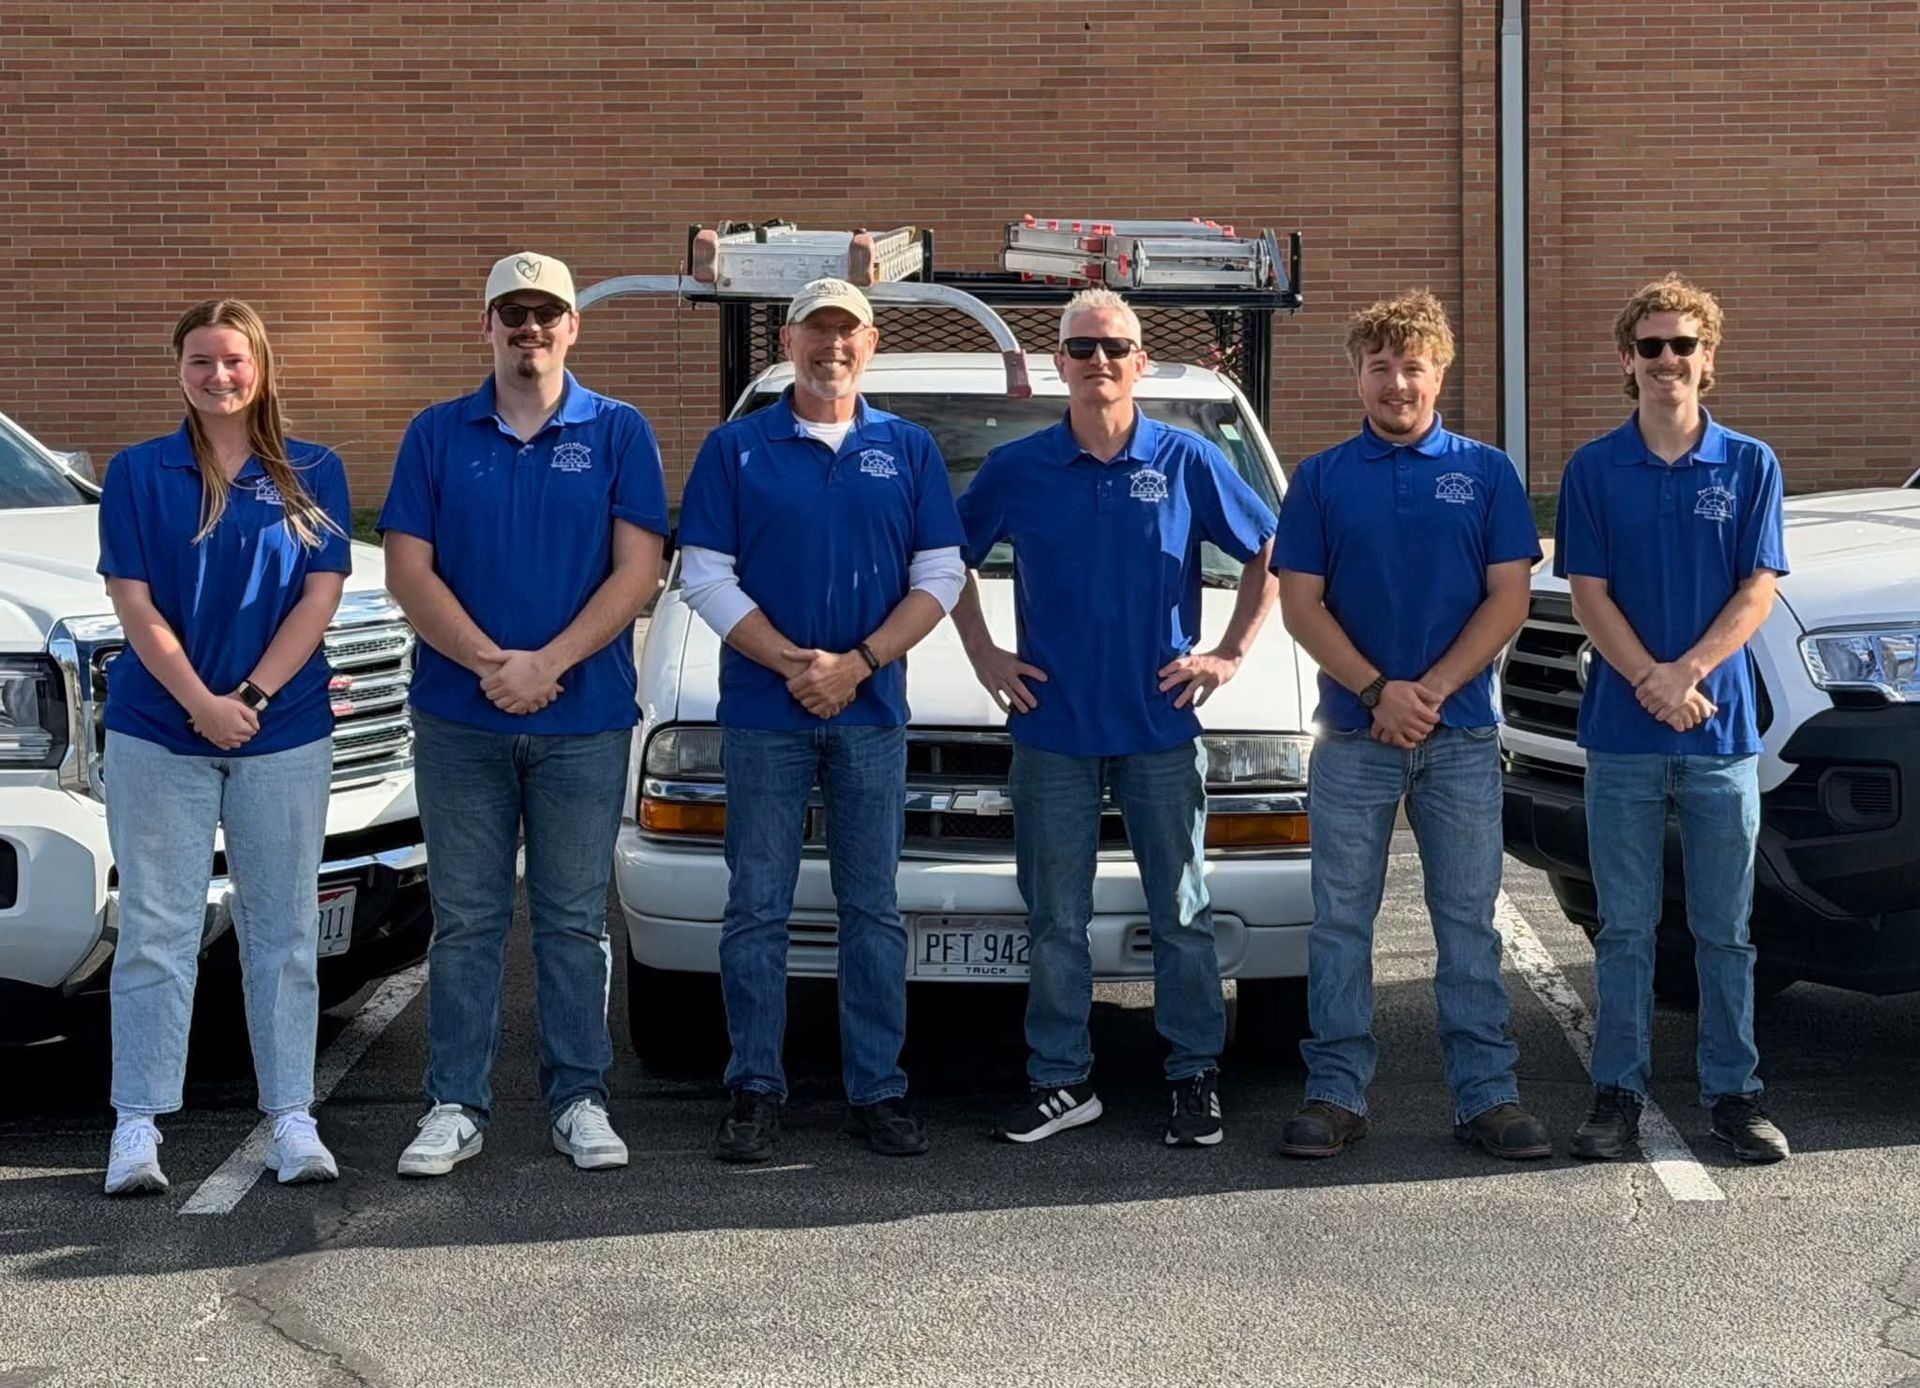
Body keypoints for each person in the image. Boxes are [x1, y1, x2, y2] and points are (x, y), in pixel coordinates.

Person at [952, 287, 1278, 1149]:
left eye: (1115, 348)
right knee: (1054, 915)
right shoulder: (1017, 469)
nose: (1099, 363)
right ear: (1059, 362)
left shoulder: (1187, 460)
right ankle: (1062, 1082)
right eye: (1082, 348)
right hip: (1052, 729)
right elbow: (943, 562)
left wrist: (1230, 654)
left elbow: (1272, 553)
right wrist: (983, 655)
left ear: (1141, 362)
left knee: (1181, 910)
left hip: (1160, 727)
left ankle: (1192, 1075)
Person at [380, 252, 668, 1177]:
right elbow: (407, 572)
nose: (530, 330)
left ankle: (579, 1097)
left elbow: (638, 571)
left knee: (574, 919)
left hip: (581, 718)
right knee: (465, 921)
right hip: (463, 721)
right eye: (513, 314)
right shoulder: (434, 433)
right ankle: (454, 1104)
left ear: (573, 327)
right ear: (488, 327)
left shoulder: (620, 432)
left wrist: (548, 662)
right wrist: (493, 665)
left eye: (547, 314)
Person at [677, 277, 965, 1163]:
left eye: (848, 333)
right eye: (815, 331)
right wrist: (797, 666)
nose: (831, 347)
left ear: (870, 346)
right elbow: (704, 574)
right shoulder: (736, 449)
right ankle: (755, 1088)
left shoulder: (909, 450)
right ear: (788, 344)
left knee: (872, 909)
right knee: (755, 905)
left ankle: (876, 1089)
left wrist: (859, 665)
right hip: (765, 714)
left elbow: (943, 576)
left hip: (872, 713)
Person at [1273, 289, 1548, 1161]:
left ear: (1441, 374)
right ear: (1357, 375)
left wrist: (1425, 689)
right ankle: (1336, 1093)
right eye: (1381, 367)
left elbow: (1509, 599)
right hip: (1354, 738)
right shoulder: (1320, 479)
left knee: (1468, 922)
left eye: (1413, 367)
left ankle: (1486, 1097)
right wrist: (1376, 690)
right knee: (1341, 923)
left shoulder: (1488, 472)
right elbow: (1299, 604)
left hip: (1460, 735)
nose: (1397, 383)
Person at [97, 299, 351, 1195]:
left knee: (281, 930)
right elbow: (134, 606)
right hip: (159, 730)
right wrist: (201, 702)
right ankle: (138, 1123)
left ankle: (290, 1115)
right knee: (159, 929)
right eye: (201, 362)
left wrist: (246, 697)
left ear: (261, 368)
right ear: (179, 371)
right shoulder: (137, 472)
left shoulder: (313, 471)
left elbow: (319, 600)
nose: (219, 377)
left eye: (234, 361)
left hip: (280, 732)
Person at [1559, 275, 1791, 1164]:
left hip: (1720, 735)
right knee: (1623, 927)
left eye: (1682, 345)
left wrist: (1688, 673)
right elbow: (1589, 592)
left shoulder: (1750, 465)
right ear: (1627, 360)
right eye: (1650, 346)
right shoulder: (1593, 469)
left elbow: (1757, 588)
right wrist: (1651, 683)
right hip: (1622, 737)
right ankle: (1617, 1091)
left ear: (1708, 358)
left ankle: (1734, 1094)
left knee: (1724, 929)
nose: (1666, 361)